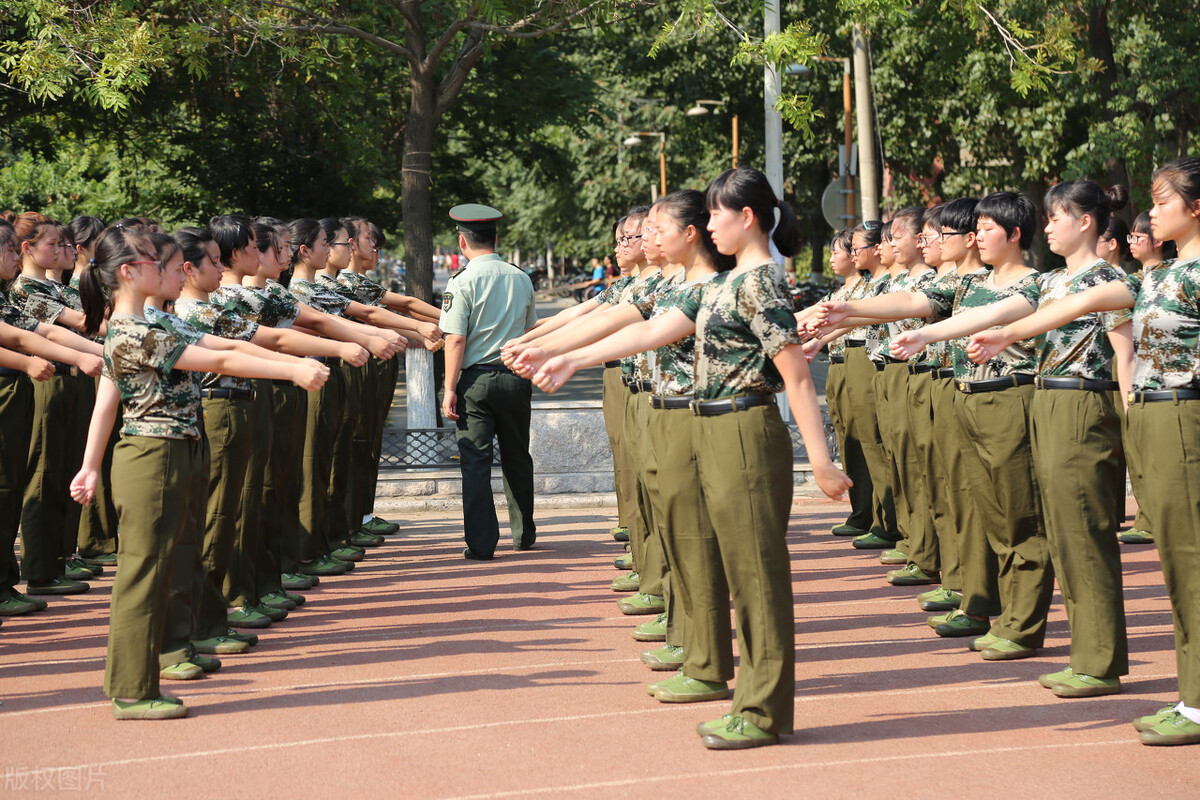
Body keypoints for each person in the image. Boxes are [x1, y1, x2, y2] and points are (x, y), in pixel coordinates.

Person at [533, 167, 851, 750]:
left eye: (716, 215)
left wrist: (820, 461)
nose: (708, 225)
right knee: (731, 565)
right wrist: (570, 359)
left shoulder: (761, 284)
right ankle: (745, 696)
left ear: (745, 217)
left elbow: (798, 377)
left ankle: (763, 709)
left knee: (757, 576)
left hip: (744, 428)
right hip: (711, 426)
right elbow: (653, 332)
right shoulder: (724, 285)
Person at [962, 157, 1200, 745]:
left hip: (1178, 411)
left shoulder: (1173, 276)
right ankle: (1188, 695)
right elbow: (1068, 306)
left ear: (1196, 208)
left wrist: (1014, 333)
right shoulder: (1160, 276)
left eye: (1164, 202)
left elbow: (1101, 326)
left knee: (1189, 561)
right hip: (1155, 411)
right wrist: (1007, 332)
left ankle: (1185, 698)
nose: (1151, 214)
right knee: (1177, 562)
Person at [69, 225, 328, 720]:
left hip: (176, 450)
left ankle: (170, 650)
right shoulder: (135, 332)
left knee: (177, 555)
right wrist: (294, 370)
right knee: (143, 571)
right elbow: (223, 356)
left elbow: (108, 400)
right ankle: (131, 687)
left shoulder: (152, 324)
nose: (169, 271)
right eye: (156, 263)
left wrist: (89, 465)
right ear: (128, 271)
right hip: (153, 455)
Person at [440, 204, 537, 560]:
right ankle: (523, 533)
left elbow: (455, 339)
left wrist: (449, 388)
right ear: (495, 239)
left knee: (476, 461)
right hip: (514, 378)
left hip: (476, 383)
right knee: (516, 456)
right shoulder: (521, 277)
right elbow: (529, 331)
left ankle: (482, 544)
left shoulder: (461, 282)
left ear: (462, 241)